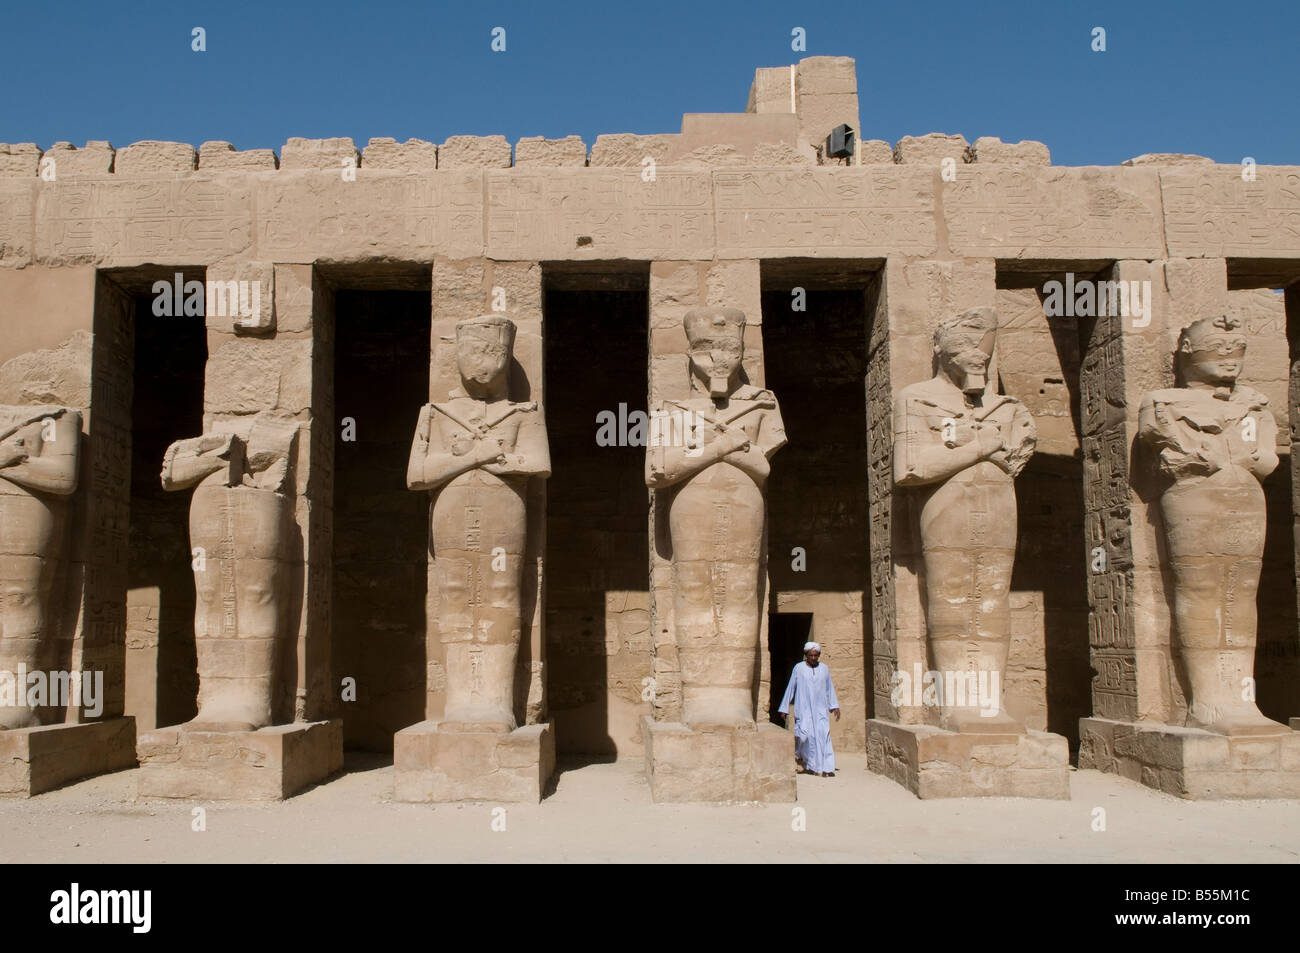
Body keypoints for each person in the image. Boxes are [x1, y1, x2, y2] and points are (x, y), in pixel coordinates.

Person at [778, 642, 840, 776]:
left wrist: (834, 705)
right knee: (804, 736)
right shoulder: (799, 668)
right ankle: (804, 760)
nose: (813, 658)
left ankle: (826, 767)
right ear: (806, 655)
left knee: (823, 735)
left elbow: (830, 687)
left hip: (820, 709)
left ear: (819, 655)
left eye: (816, 655)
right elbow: (791, 687)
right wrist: (784, 707)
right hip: (804, 709)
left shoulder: (824, 668)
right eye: (811, 655)